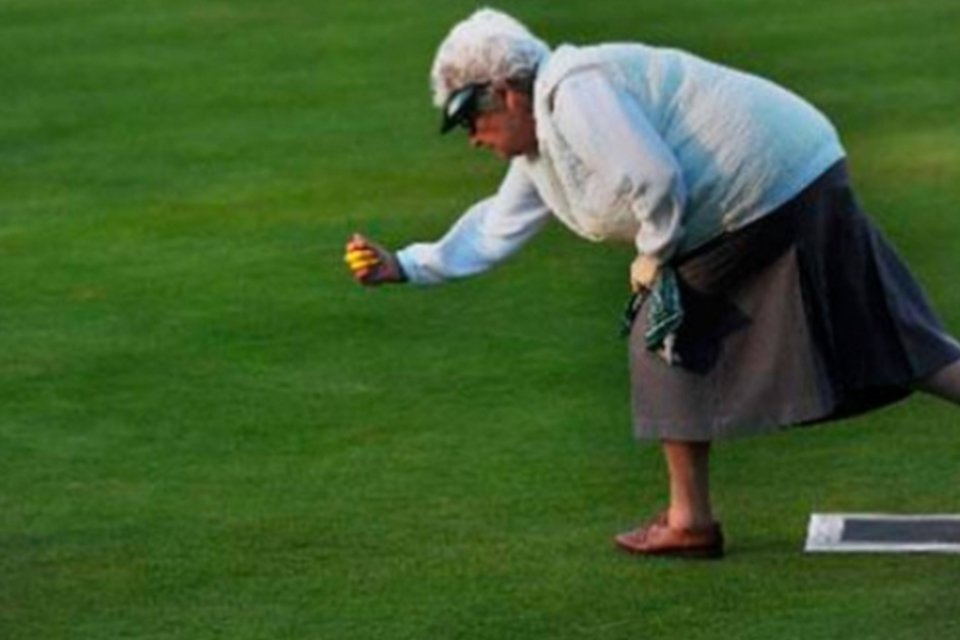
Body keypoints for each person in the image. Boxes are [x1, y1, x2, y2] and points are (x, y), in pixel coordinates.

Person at [343, 8, 960, 558]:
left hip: (766, 190)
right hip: (800, 176)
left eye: (468, 116)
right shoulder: (544, 142)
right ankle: (690, 519)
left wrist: (654, 256)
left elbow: (655, 178)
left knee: (663, 331)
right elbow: (496, 227)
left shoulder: (573, 91)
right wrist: (407, 263)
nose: (472, 136)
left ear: (505, 92)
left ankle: (690, 522)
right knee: (886, 334)